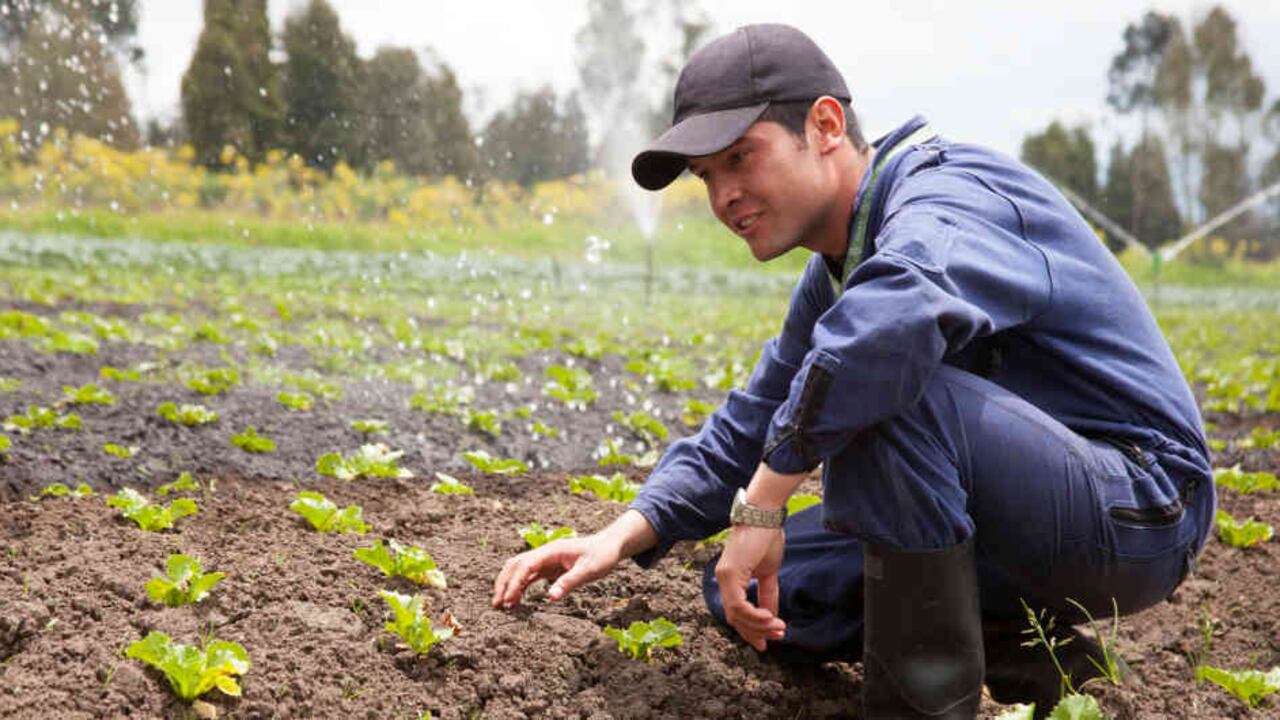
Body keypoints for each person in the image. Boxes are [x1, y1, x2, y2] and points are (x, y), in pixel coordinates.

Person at [491, 23, 1214, 720]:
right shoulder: (838, 269)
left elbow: (882, 339)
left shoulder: (948, 195)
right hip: (1023, 515)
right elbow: (760, 415)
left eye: (740, 157)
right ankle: (1047, 664)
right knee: (759, 592)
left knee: (885, 397)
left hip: (1141, 505)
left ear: (827, 125)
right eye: (706, 177)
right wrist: (624, 533)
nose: (722, 197)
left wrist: (764, 504)